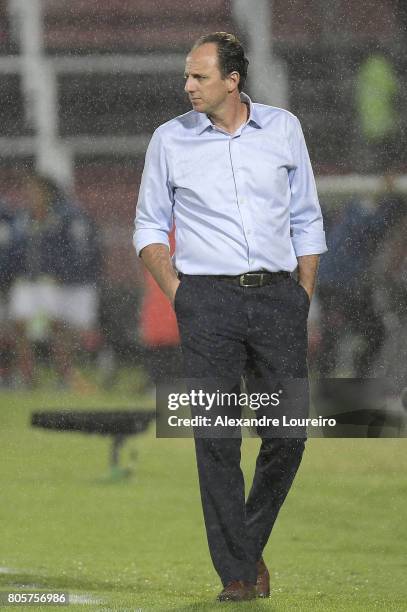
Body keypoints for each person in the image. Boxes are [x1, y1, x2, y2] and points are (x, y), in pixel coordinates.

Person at [134, 32, 327, 602]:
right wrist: (180, 294)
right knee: (215, 437)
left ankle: (246, 543)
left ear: (233, 80)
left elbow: (308, 220)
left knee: (288, 433)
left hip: (278, 299)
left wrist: (302, 296)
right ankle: (238, 576)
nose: (187, 85)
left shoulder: (285, 128)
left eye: (198, 76)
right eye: (188, 76)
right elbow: (147, 227)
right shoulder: (168, 140)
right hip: (207, 303)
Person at [10, 174, 101, 387]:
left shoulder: (61, 218)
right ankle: (26, 375)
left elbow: (69, 250)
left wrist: (62, 273)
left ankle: (64, 374)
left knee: (57, 327)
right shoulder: (22, 218)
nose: (31, 196)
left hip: (51, 281)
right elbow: (16, 250)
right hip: (26, 281)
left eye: (36, 191)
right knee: (21, 326)